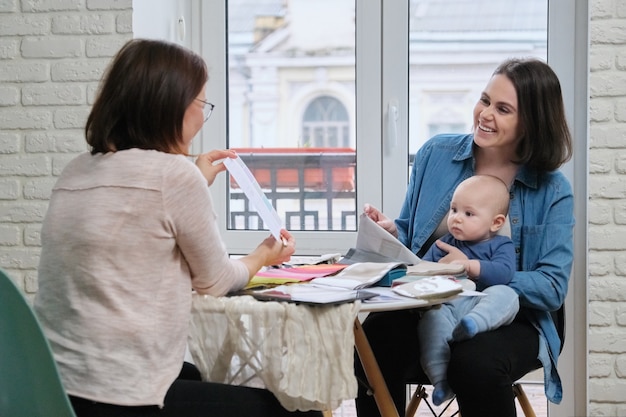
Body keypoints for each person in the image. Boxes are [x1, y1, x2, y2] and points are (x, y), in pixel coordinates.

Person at [34, 38, 322, 417]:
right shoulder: (174, 176)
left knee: (196, 375)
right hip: (120, 394)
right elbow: (215, 281)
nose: (203, 116)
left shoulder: (77, 169)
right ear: (171, 106)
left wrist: (194, 179)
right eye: (202, 103)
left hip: (56, 387)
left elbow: (133, 226)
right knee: (299, 407)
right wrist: (263, 255)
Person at [356, 57, 574, 417]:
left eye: (503, 109)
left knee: (475, 364)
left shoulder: (552, 189)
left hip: (514, 314)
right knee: (371, 346)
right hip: (431, 304)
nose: (485, 114)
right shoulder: (436, 155)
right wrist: (393, 231)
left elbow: (551, 287)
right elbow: (414, 235)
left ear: (532, 123)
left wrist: (473, 271)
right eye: (485, 100)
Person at [417, 174, 519, 406]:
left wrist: (468, 266)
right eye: (454, 210)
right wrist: (430, 271)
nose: (457, 219)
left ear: (496, 222)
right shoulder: (443, 244)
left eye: (468, 213)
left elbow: (504, 274)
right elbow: (420, 272)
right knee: (431, 320)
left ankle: (473, 324)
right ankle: (441, 381)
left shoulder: (501, 245)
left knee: (507, 294)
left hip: (482, 303)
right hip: (450, 305)